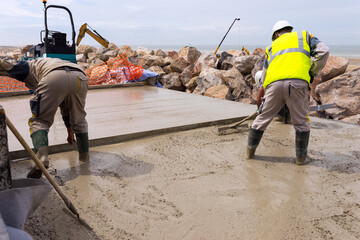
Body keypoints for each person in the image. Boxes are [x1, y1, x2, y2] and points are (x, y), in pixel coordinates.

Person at [247, 20, 329, 165]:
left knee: (262, 118)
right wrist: (312, 71)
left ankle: (250, 153)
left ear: (276, 35)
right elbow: (324, 51)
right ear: (289, 30)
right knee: (301, 122)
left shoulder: (271, 46)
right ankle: (301, 159)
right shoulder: (304, 36)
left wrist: (265, 91)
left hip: (273, 85)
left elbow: (265, 74)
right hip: (297, 84)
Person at [0, 57, 90, 178]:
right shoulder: (51, 62)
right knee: (79, 120)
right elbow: (66, 109)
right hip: (80, 77)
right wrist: (70, 132)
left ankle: (41, 160)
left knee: (39, 121)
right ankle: (85, 158)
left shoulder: (28, 66)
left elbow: (6, 64)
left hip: (53, 76)